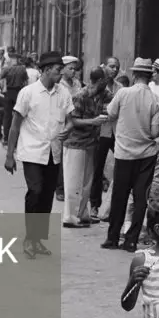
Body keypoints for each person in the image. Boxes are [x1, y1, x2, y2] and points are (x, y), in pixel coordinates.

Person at [5, 51, 71, 257]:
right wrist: (9, 154)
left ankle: (38, 239)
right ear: (46, 70)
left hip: (54, 152)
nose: (61, 75)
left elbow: (70, 119)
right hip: (32, 151)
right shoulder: (28, 93)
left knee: (46, 196)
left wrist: (67, 129)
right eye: (58, 71)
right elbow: (15, 125)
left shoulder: (63, 93)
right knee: (35, 191)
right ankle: (29, 238)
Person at [102, 58, 159, 253]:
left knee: (119, 197)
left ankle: (112, 238)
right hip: (146, 155)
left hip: (124, 153)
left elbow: (110, 114)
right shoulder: (156, 101)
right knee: (141, 198)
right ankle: (131, 240)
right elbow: (155, 132)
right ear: (149, 77)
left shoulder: (123, 93)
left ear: (134, 75)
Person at [62, 67, 111, 228]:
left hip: (91, 143)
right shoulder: (80, 96)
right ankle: (69, 216)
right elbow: (73, 121)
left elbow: (114, 103)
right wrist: (94, 121)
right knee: (73, 181)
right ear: (97, 81)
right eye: (105, 80)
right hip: (75, 142)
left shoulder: (104, 94)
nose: (107, 83)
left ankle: (82, 213)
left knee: (86, 182)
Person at [90, 56, 124, 221]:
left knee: (121, 167)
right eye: (112, 66)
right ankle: (94, 205)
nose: (115, 70)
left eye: (117, 67)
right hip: (100, 131)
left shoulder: (121, 88)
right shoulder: (97, 86)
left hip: (116, 131)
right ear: (104, 67)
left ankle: (114, 207)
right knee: (97, 169)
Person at [55, 56, 83, 202]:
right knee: (61, 156)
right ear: (63, 69)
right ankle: (60, 188)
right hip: (63, 121)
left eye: (75, 69)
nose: (73, 72)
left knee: (72, 157)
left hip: (76, 122)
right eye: (70, 68)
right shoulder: (59, 85)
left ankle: (72, 187)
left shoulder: (77, 83)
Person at [0, 52, 31, 144]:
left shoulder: (7, 69)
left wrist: (3, 88)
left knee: (7, 116)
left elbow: (0, 78)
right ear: (17, 59)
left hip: (8, 92)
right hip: (19, 92)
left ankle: (6, 138)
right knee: (19, 116)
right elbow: (26, 80)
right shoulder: (22, 69)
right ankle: (17, 139)